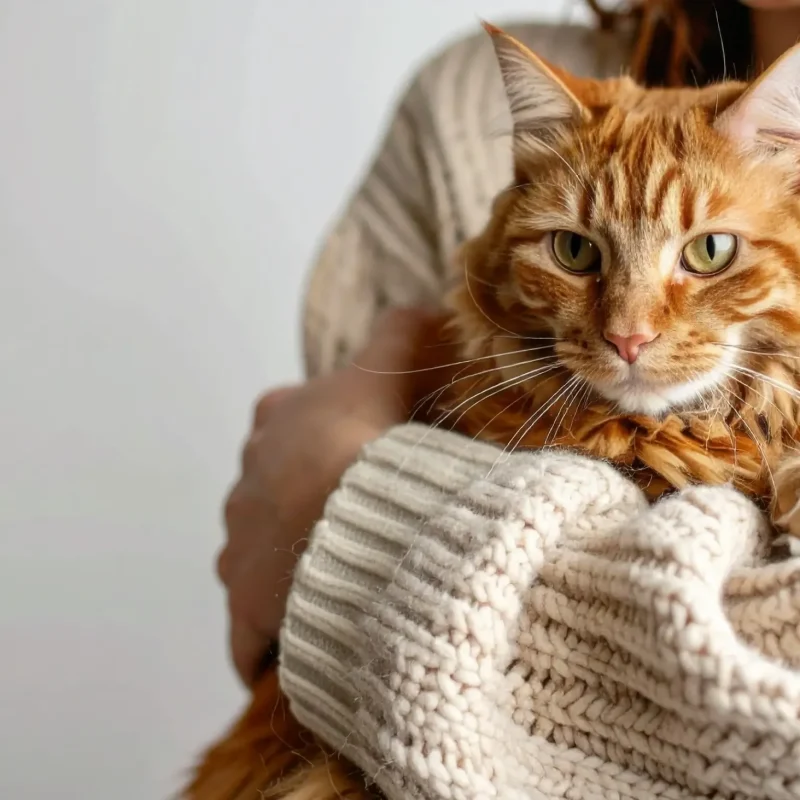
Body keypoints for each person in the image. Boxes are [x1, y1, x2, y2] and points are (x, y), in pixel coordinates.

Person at [213, 2, 800, 797]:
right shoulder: (460, 99)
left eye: (710, 251)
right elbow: (287, 643)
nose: (629, 328)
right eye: (576, 253)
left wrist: (347, 507)